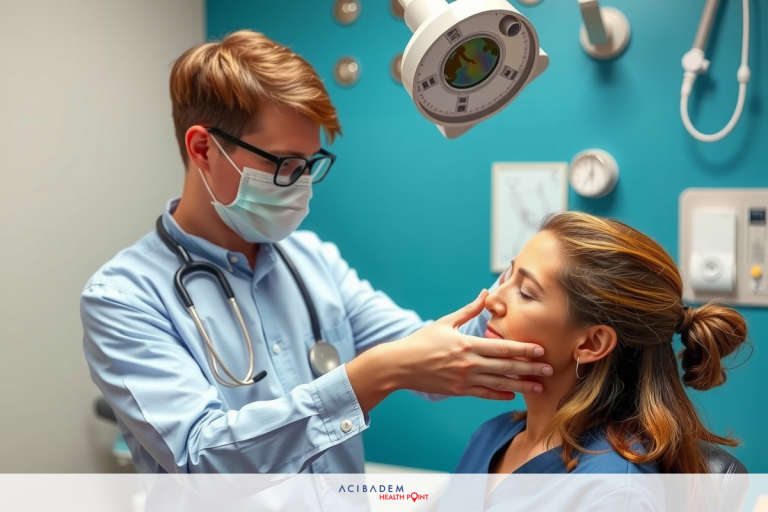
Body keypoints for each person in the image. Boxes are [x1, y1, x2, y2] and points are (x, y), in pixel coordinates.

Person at [79, 29, 554, 479]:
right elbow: (201, 461)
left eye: (309, 165)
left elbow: (430, 356)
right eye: (284, 163)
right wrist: (372, 376)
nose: (301, 183)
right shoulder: (123, 298)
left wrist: (526, 283)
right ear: (204, 148)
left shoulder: (311, 260)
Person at [455, 211, 748, 481]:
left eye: (526, 293)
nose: (490, 300)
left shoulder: (613, 487)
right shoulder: (490, 436)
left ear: (592, 343)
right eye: (508, 275)